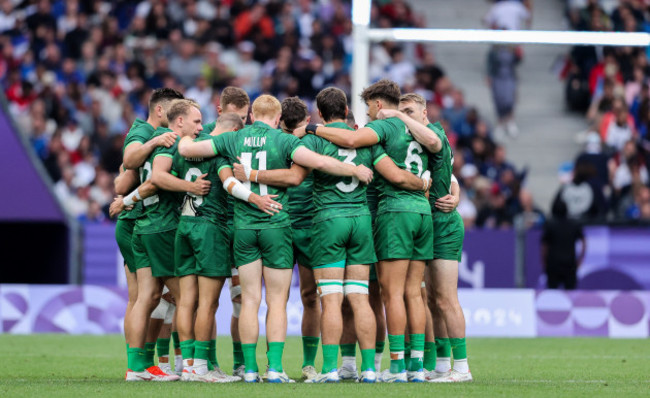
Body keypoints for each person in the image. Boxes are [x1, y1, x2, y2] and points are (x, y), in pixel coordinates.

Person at [177, 94, 373, 383]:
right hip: (276, 224)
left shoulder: (233, 139)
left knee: (250, 300)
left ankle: (250, 370)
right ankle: (275, 369)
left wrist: (181, 137)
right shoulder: (285, 141)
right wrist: (353, 169)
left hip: (243, 228)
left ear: (253, 116)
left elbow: (188, 149)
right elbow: (318, 162)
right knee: (277, 302)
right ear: (278, 118)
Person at [293, 80, 441, 383]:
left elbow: (298, 170)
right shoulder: (371, 143)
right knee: (364, 299)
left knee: (333, 299)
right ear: (347, 110)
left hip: (330, 220)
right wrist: (425, 184)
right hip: (364, 221)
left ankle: (332, 369)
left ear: (320, 114)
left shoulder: (319, 139)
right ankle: (372, 369)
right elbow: (395, 173)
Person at [122, 99, 210, 382]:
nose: (200, 127)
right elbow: (158, 178)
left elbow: (142, 180)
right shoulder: (173, 142)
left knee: (145, 298)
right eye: (196, 122)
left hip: (144, 225)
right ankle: (191, 366)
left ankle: (136, 368)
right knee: (188, 299)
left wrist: (126, 200)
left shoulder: (160, 140)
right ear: (179, 121)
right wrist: (191, 186)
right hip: (163, 227)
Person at [391, 93, 472, 382]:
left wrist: (398, 116)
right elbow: (449, 175)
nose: (406, 115)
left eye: (411, 111)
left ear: (425, 112)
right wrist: (456, 191)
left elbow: (437, 146)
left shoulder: (433, 133)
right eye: (402, 111)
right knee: (433, 298)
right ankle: (441, 364)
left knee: (447, 299)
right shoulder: (417, 139)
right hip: (428, 221)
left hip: (445, 224)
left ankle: (461, 367)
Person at [112, 87, 184, 381]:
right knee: (148, 297)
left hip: (140, 219)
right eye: (174, 110)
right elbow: (129, 161)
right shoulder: (143, 130)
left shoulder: (156, 138)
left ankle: (142, 364)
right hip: (138, 221)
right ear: (160, 110)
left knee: (150, 296)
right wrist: (155, 141)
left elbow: (121, 181)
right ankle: (144, 363)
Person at [541, 201, 586, 290]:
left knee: (552, 294)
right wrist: (581, 259)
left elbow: (544, 246)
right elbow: (584, 241)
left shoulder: (550, 225)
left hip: (553, 265)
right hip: (570, 264)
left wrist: (544, 262)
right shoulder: (574, 225)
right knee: (570, 295)